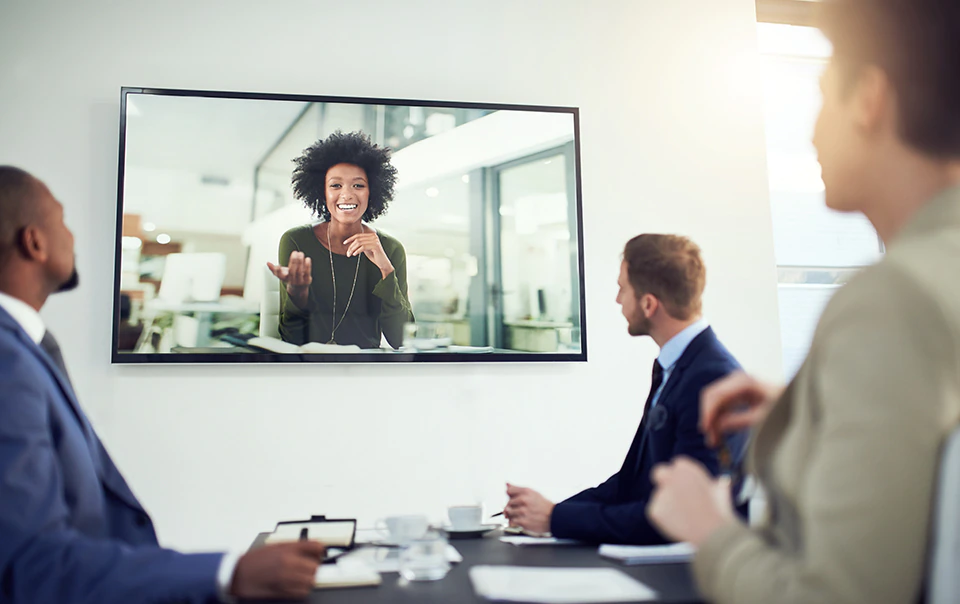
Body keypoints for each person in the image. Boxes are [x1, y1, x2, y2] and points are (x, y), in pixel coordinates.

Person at [646, 0, 960, 601]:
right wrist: (814, 408)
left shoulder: (894, 301)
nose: (812, 130)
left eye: (822, 96)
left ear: (868, 99)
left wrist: (707, 529)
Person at [0, 166, 326, 603]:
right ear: (33, 242)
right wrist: (227, 574)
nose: (73, 236)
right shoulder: (6, 360)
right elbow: (29, 566)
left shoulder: (26, 346)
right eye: (61, 220)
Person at [504, 234, 746, 544]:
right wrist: (546, 512)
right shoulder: (675, 366)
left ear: (648, 304)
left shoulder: (712, 379)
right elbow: (631, 484)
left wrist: (555, 518)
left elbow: (679, 515)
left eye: (622, 288)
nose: (617, 299)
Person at [267, 130, 414, 349]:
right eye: (336, 185)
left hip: (365, 370)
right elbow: (292, 338)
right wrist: (297, 295)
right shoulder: (296, 241)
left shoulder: (390, 249)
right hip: (308, 367)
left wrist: (386, 270)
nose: (347, 195)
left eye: (358, 185)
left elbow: (400, 339)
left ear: (372, 191)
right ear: (321, 192)